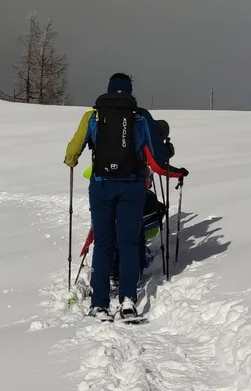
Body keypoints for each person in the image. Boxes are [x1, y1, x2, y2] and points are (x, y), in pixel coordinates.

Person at [63, 73, 187, 321]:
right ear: (130, 92)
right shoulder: (140, 116)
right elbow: (157, 158)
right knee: (130, 243)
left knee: (104, 242)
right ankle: (128, 300)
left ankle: (99, 304)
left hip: (101, 187)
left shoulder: (93, 115)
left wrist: (73, 159)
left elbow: (72, 153)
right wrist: (174, 169)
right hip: (132, 187)